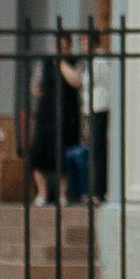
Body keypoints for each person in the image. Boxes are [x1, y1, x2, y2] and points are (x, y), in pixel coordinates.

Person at [27, 28, 90, 206]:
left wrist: (61, 63)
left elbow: (76, 81)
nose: (60, 49)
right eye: (58, 46)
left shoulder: (74, 61)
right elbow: (34, 87)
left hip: (67, 115)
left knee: (63, 154)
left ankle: (63, 194)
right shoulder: (44, 63)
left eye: (64, 46)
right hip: (46, 114)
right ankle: (42, 193)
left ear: (69, 47)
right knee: (38, 153)